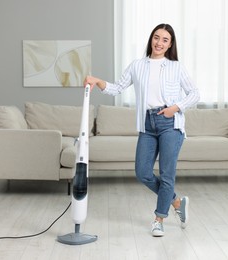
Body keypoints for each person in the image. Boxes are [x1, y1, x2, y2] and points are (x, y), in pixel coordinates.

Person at [84, 23, 200, 237]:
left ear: (170, 44)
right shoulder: (137, 65)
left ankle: (159, 220)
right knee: (143, 172)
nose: (159, 43)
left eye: (165, 40)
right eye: (157, 37)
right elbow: (117, 88)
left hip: (170, 124)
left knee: (167, 174)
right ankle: (176, 201)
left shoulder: (176, 67)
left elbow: (194, 93)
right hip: (147, 124)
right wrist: (98, 81)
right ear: (151, 39)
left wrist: (174, 108)